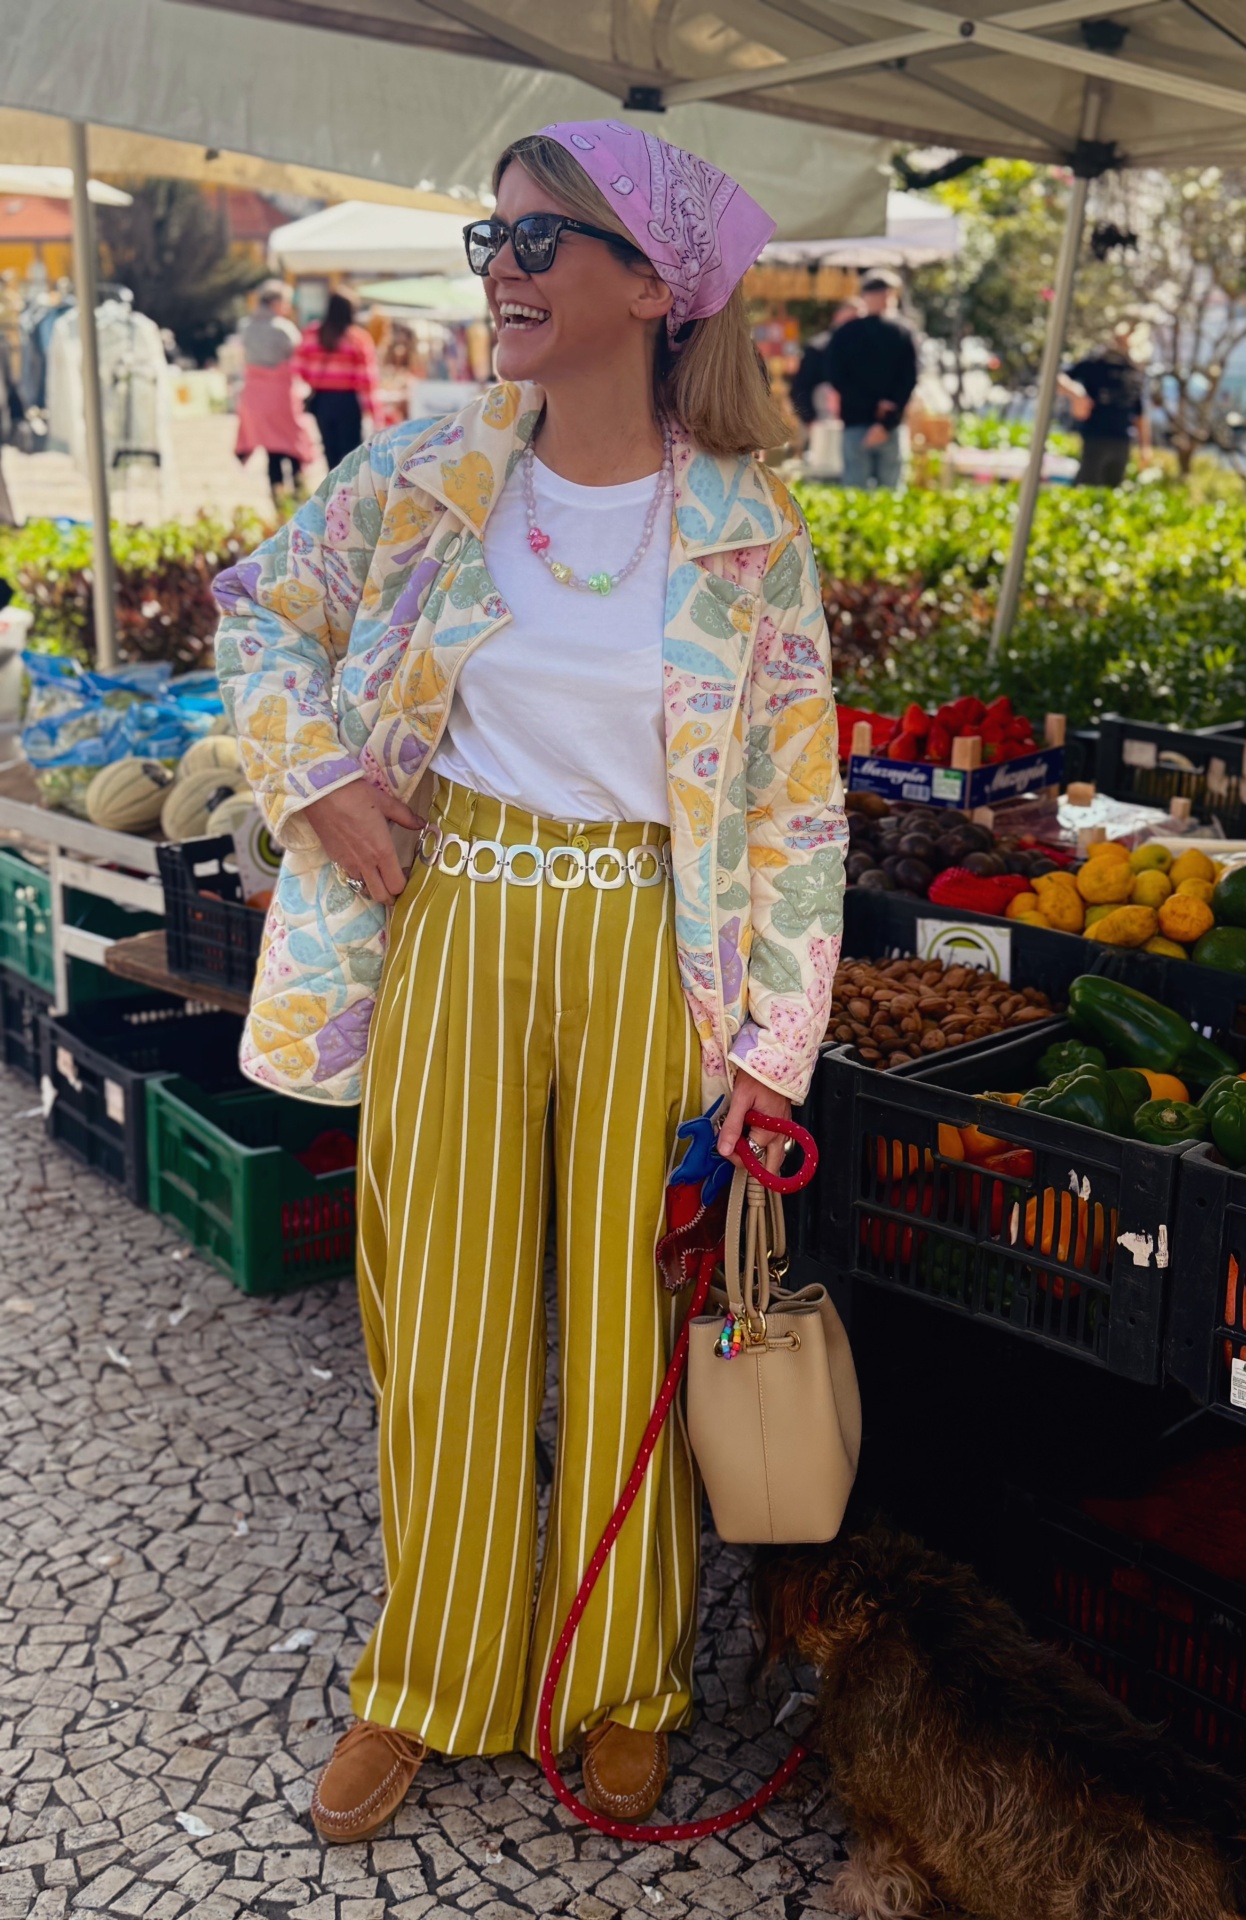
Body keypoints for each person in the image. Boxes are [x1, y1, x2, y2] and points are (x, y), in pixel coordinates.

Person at [211, 119, 846, 1841]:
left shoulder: (744, 531)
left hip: (653, 941)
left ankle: (620, 1683)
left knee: (632, 1326)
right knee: (445, 1326)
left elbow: (794, 805)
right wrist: (319, 782)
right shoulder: (425, 472)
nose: (500, 276)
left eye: (536, 245)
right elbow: (257, 614)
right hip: (459, 917)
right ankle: (428, 1678)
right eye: (490, 244)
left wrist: (772, 1050)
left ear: (652, 285)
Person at [824, 270, 918, 489]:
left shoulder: (844, 333)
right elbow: (909, 379)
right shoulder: (903, 332)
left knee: (855, 496)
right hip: (890, 424)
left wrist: (868, 407)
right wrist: (885, 417)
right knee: (892, 497)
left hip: (856, 422)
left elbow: (835, 377)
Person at [233, 279, 314, 506]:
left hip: (255, 395)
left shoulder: (246, 327)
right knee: (293, 445)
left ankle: (277, 498)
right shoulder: (283, 329)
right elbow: (299, 356)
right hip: (280, 394)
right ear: (275, 302)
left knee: (272, 449)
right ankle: (299, 494)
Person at [294, 289, 380, 469]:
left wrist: (317, 379)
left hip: (321, 401)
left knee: (330, 452)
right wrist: (375, 414)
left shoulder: (312, 333)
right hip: (348, 402)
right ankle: (351, 494)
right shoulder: (357, 338)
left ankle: (333, 492)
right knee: (351, 455)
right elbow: (366, 382)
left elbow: (298, 368)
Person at [1059, 325, 1152, 486]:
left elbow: (1139, 412)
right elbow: (1059, 376)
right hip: (1095, 434)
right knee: (1087, 485)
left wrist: (1145, 447)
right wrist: (1076, 394)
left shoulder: (1133, 371)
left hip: (1122, 439)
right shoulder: (1094, 363)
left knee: (1112, 489)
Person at [788, 297, 858, 432]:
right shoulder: (818, 348)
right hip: (823, 423)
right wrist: (810, 420)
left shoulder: (868, 350)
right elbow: (800, 388)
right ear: (838, 317)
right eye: (851, 320)